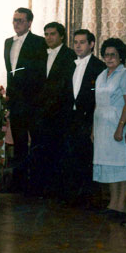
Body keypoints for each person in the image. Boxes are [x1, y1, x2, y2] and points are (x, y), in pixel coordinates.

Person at [3, 7, 47, 192]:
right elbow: (10, 72)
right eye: (14, 20)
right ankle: (19, 183)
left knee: (36, 142)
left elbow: (39, 73)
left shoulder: (39, 42)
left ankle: (36, 183)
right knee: (19, 143)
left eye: (21, 20)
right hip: (16, 102)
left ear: (29, 23)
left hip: (34, 101)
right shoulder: (7, 42)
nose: (17, 24)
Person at [61, 29, 106, 205]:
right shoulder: (69, 64)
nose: (78, 46)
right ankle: (71, 195)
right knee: (70, 156)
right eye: (76, 42)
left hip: (87, 118)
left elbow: (98, 97)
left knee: (86, 157)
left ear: (91, 44)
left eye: (82, 42)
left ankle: (86, 197)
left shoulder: (98, 66)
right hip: (70, 117)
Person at [92, 37, 126, 216]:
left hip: (118, 123)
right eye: (106, 55)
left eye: (113, 55)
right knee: (109, 166)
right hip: (101, 125)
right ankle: (112, 203)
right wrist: (93, 129)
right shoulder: (101, 75)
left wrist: (120, 127)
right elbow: (97, 104)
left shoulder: (125, 75)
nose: (109, 58)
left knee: (121, 166)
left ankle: (121, 204)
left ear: (121, 56)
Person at [38, 22, 77, 196]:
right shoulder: (40, 54)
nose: (48, 37)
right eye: (46, 34)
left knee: (60, 152)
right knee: (45, 151)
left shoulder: (70, 55)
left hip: (61, 112)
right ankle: (47, 188)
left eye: (52, 34)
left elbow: (66, 86)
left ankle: (59, 191)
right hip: (43, 112)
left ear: (62, 36)